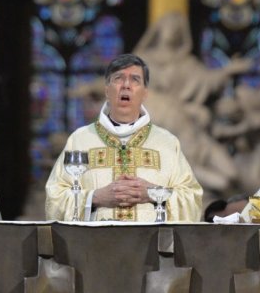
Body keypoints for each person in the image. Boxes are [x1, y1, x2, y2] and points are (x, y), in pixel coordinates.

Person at [45, 53, 203, 222]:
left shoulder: (167, 143)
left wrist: (153, 194)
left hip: (150, 246)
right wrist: (95, 198)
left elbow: (192, 200)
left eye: (135, 79)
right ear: (107, 90)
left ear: (145, 93)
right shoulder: (80, 140)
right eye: (119, 78)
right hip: (94, 246)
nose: (126, 85)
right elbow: (54, 201)